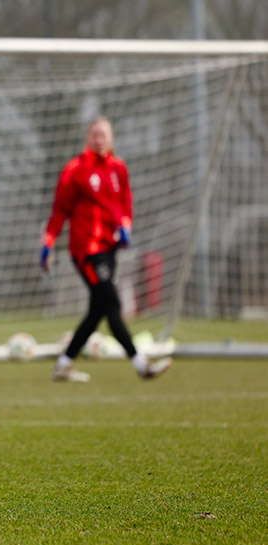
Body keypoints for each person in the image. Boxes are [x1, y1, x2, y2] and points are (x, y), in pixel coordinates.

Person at [40, 116, 173, 383]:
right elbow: (60, 210)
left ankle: (64, 364)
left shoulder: (118, 168)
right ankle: (140, 364)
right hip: (86, 250)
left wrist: (125, 225)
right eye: (95, 135)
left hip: (110, 249)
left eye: (104, 135)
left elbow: (125, 203)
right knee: (111, 303)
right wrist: (48, 242)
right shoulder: (75, 169)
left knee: (98, 310)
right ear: (88, 138)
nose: (99, 139)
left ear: (111, 138)